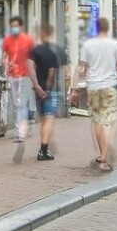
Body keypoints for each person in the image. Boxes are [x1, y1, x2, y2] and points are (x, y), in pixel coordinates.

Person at [78, 19, 117, 172]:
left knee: (97, 120)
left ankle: (101, 154)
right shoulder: (114, 45)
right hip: (109, 87)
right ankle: (103, 159)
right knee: (107, 122)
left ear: (96, 28)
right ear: (108, 29)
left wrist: (75, 89)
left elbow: (81, 68)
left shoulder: (88, 45)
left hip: (93, 87)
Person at [29, 22, 68, 162]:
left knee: (44, 120)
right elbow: (61, 72)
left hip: (39, 91)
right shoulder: (58, 50)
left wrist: (36, 85)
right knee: (49, 119)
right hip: (52, 91)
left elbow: (30, 66)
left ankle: (44, 146)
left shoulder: (35, 50)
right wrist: (48, 90)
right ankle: (43, 150)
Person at [0, 17, 36, 150]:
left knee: (20, 104)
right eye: (12, 26)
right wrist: (6, 64)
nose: (14, 28)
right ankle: (20, 129)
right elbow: (4, 57)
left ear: (21, 27)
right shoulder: (7, 40)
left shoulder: (28, 40)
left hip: (24, 75)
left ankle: (21, 133)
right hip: (12, 75)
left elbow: (34, 57)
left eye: (16, 26)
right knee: (15, 104)